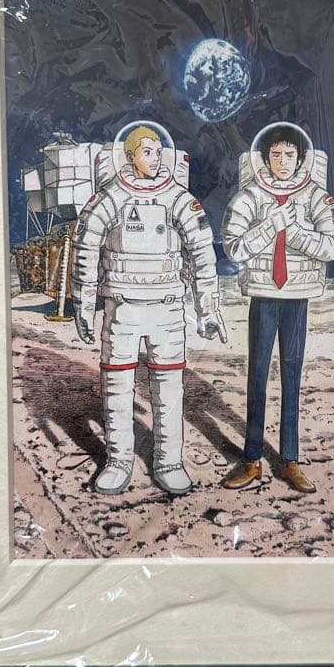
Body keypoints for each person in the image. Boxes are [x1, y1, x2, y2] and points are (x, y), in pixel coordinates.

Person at [71, 121, 227, 497]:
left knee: (169, 388)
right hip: (122, 307)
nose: (154, 158)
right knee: (117, 386)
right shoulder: (110, 198)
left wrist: (208, 307)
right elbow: (86, 248)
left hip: (166, 308)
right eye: (146, 152)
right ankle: (118, 461)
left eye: (158, 152)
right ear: (130, 157)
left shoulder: (178, 198)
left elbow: (202, 252)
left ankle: (169, 462)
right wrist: (84, 303)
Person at [221, 122, 334, 493]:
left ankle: (290, 460)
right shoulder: (250, 196)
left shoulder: (317, 197)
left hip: (297, 298)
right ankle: (252, 459)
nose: (284, 162)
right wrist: (270, 226)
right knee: (257, 377)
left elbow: (331, 247)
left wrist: (295, 232)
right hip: (263, 296)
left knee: (292, 376)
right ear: (265, 158)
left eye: (290, 155)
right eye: (276, 155)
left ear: (301, 158)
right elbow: (233, 248)